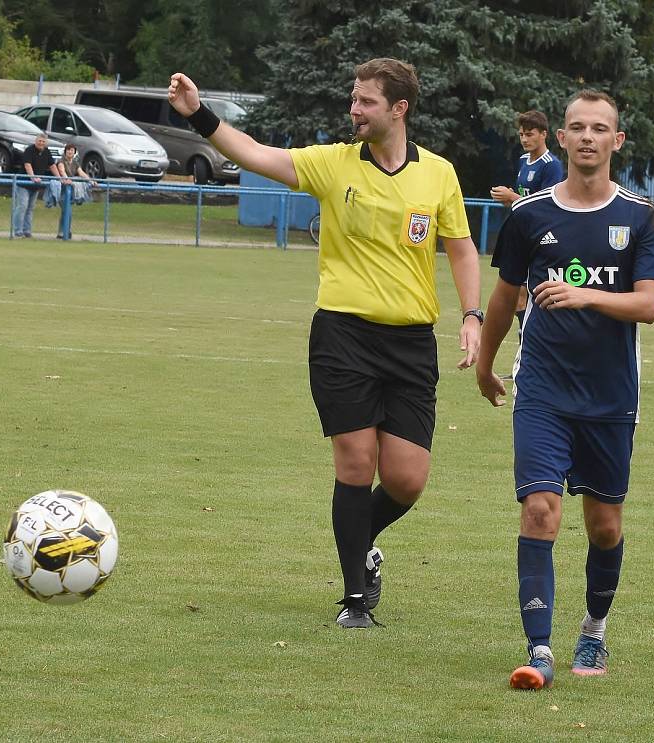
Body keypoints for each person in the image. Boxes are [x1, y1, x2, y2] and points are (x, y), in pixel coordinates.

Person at [168, 58, 482, 629]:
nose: (353, 109)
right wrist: (200, 116)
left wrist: (471, 314)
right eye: (354, 99)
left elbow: (460, 248)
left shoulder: (439, 174)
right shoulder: (332, 164)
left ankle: (363, 542)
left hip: (411, 343)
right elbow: (256, 155)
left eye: (365, 101)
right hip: (344, 335)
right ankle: (354, 600)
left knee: (407, 479)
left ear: (398, 109)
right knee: (357, 463)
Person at [476, 90, 654, 689]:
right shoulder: (529, 215)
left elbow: (649, 304)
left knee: (604, 524)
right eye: (577, 127)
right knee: (540, 509)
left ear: (617, 141)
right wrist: (486, 362)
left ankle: (594, 629)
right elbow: (505, 298)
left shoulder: (640, 216)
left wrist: (584, 295)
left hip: (611, 396)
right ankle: (538, 650)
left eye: (599, 128)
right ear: (561, 138)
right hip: (543, 390)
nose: (587, 137)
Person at [490, 111, 564, 342]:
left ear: (544, 135)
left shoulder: (551, 165)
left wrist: (512, 197)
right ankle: (524, 351)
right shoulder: (523, 160)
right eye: (521, 134)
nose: (524, 139)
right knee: (518, 296)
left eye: (529, 134)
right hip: (522, 233)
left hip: (542, 236)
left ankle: (529, 349)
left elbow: (546, 205)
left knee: (527, 295)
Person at [13, 133, 61, 238]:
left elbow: (52, 165)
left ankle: (27, 231)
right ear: (36, 141)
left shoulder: (47, 152)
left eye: (43, 141)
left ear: (46, 143)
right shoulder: (29, 150)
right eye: (39, 141)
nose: (41, 143)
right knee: (22, 206)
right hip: (24, 183)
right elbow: (27, 164)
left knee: (30, 208)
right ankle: (17, 230)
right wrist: (32, 177)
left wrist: (59, 178)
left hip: (35, 186)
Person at [55, 143, 96, 239]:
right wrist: (66, 179)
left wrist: (90, 180)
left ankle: (63, 232)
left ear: (74, 152)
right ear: (65, 151)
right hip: (62, 189)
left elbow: (81, 173)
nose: (70, 152)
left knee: (66, 211)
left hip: (70, 190)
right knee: (66, 211)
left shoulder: (75, 162)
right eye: (68, 150)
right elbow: (62, 171)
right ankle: (64, 232)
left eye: (72, 150)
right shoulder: (61, 161)